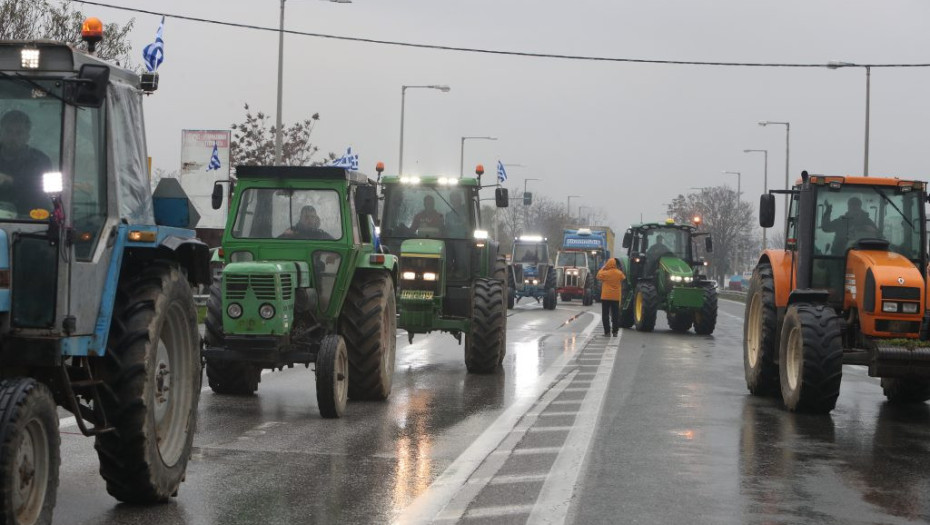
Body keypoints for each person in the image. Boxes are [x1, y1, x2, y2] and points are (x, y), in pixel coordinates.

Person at [0, 110, 53, 216]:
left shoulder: (40, 161)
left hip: (32, 222)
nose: (13, 137)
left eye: (19, 133)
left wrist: (10, 181)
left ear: (27, 136)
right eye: (8, 131)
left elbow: (42, 192)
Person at [597, 257, 626, 337]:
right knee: (615, 314)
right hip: (615, 297)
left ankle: (607, 332)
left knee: (605, 315)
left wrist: (603, 268)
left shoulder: (605, 273)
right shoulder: (619, 273)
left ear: (608, 264)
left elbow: (598, 276)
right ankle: (615, 332)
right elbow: (623, 278)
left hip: (606, 297)